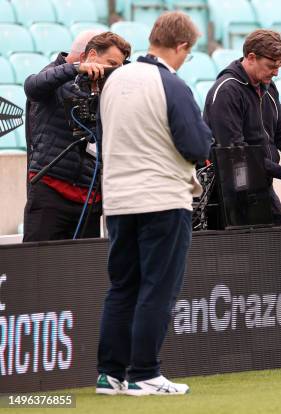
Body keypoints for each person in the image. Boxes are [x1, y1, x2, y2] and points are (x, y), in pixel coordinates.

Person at [96, 12, 213, 396]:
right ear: (180, 46)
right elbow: (197, 145)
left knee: (122, 287)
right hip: (162, 198)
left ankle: (109, 374)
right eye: (188, 53)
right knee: (157, 288)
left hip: (117, 201)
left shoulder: (114, 81)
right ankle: (144, 372)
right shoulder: (171, 84)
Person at [23, 31, 131, 242]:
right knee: (38, 268)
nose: (114, 71)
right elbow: (32, 86)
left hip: (89, 197)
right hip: (51, 191)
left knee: (82, 271)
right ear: (90, 55)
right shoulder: (55, 75)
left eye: (119, 66)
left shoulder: (108, 88)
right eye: (111, 63)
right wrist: (75, 69)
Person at [204, 29, 281, 226]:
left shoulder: (268, 87)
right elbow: (235, 152)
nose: (276, 72)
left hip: (261, 184)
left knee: (279, 239)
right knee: (248, 253)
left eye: (280, 65)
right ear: (251, 57)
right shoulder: (227, 91)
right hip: (231, 192)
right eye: (271, 66)